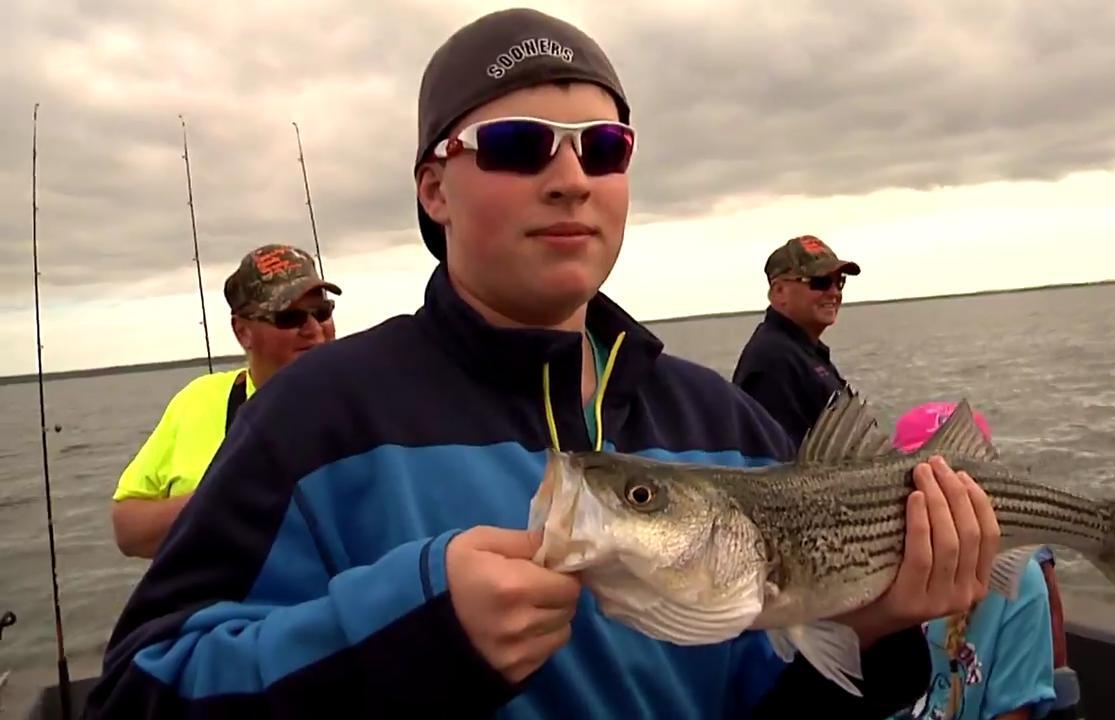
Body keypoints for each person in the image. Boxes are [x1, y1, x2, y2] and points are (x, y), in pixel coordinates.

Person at [82, 9, 1001, 719]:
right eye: (520, 145)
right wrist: (410, 627)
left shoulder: (722, 425)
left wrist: (871, 630)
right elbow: (136, 693)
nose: (571, 179)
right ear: (433, 187)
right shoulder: (319, 416)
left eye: (605, 149)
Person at [109, 243, 340, 559]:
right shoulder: (197, 400)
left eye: (322, 312)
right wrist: (229, 496)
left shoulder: (365, 397)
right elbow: (129, 530)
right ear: (242, 331)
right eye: (290, 317)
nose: (314, 329)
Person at [888, 402, 1057, 720]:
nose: (943, 504)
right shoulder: (864, 577)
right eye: (921, 486)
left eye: (958, 488)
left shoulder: (1021, 580)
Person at [732, 234, 862, 444]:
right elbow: (779, 464)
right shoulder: (774, 361)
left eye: (840, 282)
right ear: (779, 291)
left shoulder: (804, 351)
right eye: (820, 282)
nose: (834, 292)